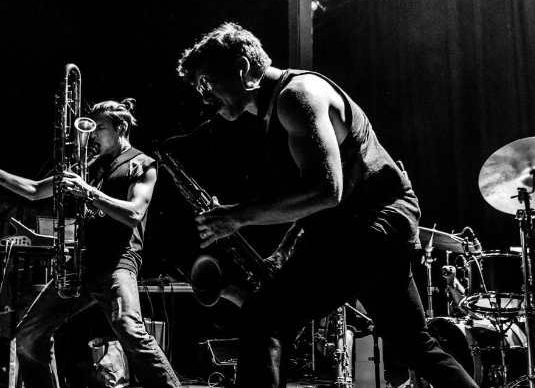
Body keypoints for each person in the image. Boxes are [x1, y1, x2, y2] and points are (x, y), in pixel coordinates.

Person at [178, 22, 479, 388]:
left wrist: (238, 216)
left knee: (264, 317)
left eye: (207, 83)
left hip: (372, 222)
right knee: (413, 345)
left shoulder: (297, 95)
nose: (205, 98)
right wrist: (284, 251)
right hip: (375, 224)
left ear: (242, 68)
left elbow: (326, 190)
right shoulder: (280, 106)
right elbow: (315, 199)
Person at [0, 99, 181, 388]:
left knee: (129, 329)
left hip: (117, 262)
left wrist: (89, 192)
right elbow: (34, 191)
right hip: (82, 264)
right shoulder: (91, 166)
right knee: (29, 334)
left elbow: (134, 214)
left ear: (121, 127)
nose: (92, 134)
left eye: (100, 127)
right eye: (91, 127)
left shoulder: (143, 163)